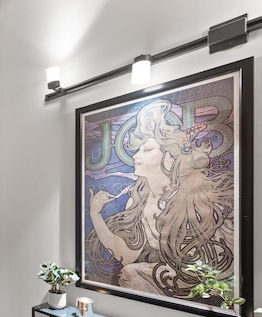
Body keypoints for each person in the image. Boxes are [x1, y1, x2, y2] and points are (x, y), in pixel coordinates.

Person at [86, 99, 234, 297]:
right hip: (169, 280)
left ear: (169, 156)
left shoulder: (192, 197)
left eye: (146, 150)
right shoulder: (138, 199)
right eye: (137, 150)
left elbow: (213, 262)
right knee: (129, 273)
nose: (136, 157)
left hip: (203, 281)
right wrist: (95, 214)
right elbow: (127, 256)